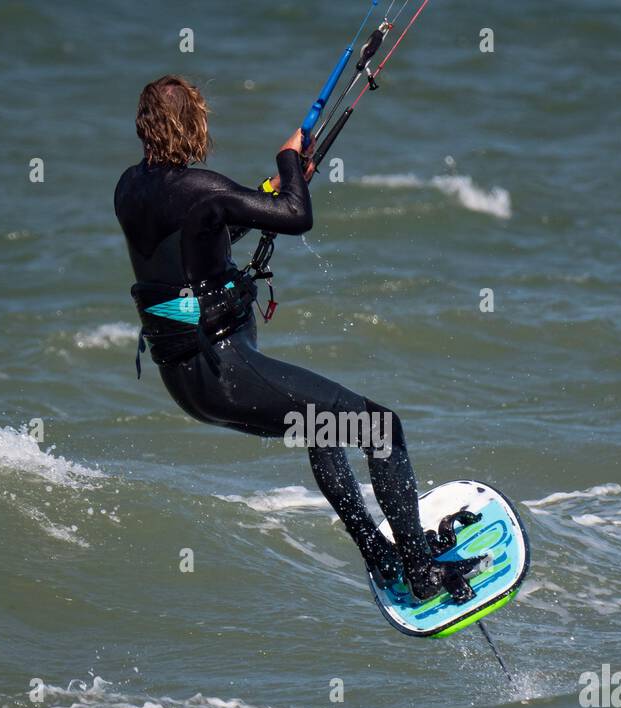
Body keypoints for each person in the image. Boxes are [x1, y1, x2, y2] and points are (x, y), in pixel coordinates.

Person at [114, 75, 478, 601]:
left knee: (325, 428)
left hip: (187, 382)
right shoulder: (202, 190)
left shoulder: (129, 188)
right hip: (226, 371)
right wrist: (289, 164)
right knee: (381, 429)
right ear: (193, 126)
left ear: (145, 126)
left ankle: (382, 555)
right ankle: (421, 575)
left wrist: (261, 195)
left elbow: (202, 234)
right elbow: (296, 216)